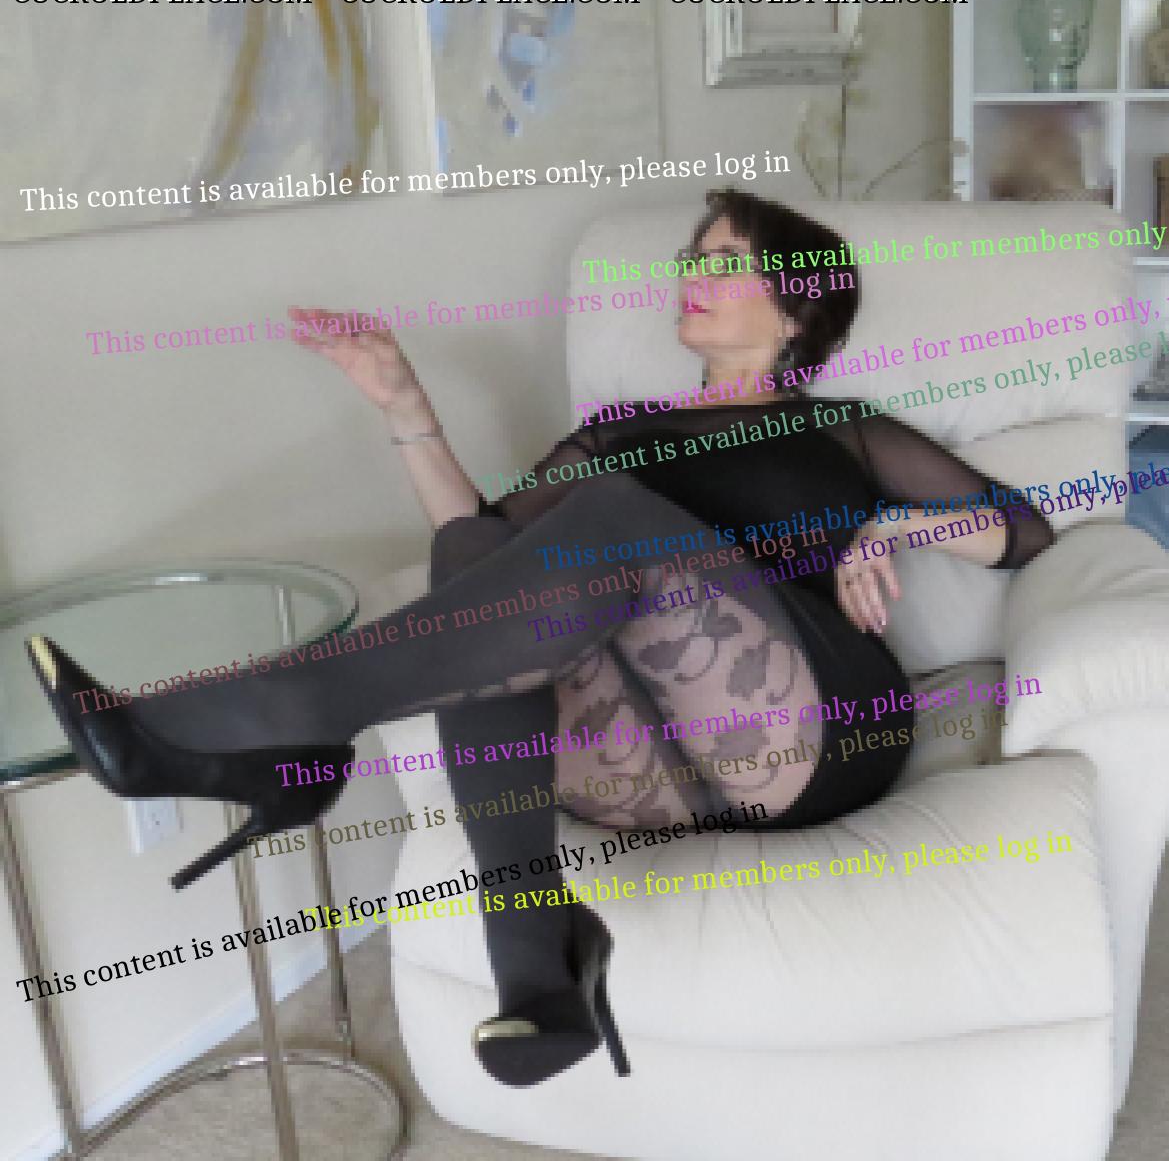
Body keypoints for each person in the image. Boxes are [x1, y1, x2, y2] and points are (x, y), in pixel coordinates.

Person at [26, 190, 1055, 1090]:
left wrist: (892, 525)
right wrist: (406, 408)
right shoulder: (618, 434)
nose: (691, 277)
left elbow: (1022, 532)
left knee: (605, 511)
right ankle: (534, 961)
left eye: (723, 261)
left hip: (805, 734)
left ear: (796, 306)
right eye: (690, 259)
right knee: (476, 546)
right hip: (639, 774)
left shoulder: (840, 431)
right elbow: (480, 565)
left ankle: (271, 719)